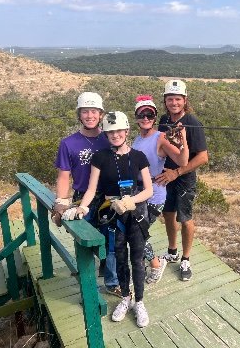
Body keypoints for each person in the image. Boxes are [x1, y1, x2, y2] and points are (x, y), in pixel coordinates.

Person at [62, 111, 153, 328]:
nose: (115, 135)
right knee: (119, 258)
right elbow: (92, 189)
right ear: (106, 133)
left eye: (119, 131)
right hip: (114, 215)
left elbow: (148, 189)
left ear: (127, 131)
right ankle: (125, 298)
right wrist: (82, 207)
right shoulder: (100, 157)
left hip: (136, 214)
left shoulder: (138, 156)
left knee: (137, 260)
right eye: (111, 132)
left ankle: (139, 302)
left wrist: (131, 201)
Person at [52, 92, 121, 297]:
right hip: (83, 198)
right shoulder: (69, 143)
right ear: (79, 114)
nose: (89, 115)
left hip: (109, 198)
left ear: (100, 114)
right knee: (85, 243)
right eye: (85, 111)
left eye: (94, 111)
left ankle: (112, 282)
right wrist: (61, 202)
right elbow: (64, 176)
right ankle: (88, 287)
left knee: (111, 242)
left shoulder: (110, 138)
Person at [132, 95, 189, 284]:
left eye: (150, 114)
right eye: (142, 114)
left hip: (155, 193)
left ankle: (155, 264)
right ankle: (142, 265)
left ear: (155, 117)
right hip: (138, 192)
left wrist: (182, 141)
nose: (146, 118)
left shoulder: (161, 137)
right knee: (135, 231)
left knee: (138, 232)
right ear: (136, 117)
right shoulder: (136, 140)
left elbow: (182, 161)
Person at [156, 80, 208, 281]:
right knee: (168, 213)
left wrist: (176, 173)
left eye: (178, 99)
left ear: (185, 100)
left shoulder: (192, 122)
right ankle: (172, 250)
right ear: (165, 101)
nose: (174, 103)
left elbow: (203, 157)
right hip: (165, 175)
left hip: (183, 178)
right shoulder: (163, 119)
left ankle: (186, 258)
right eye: (170, 99)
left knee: (185, 217)